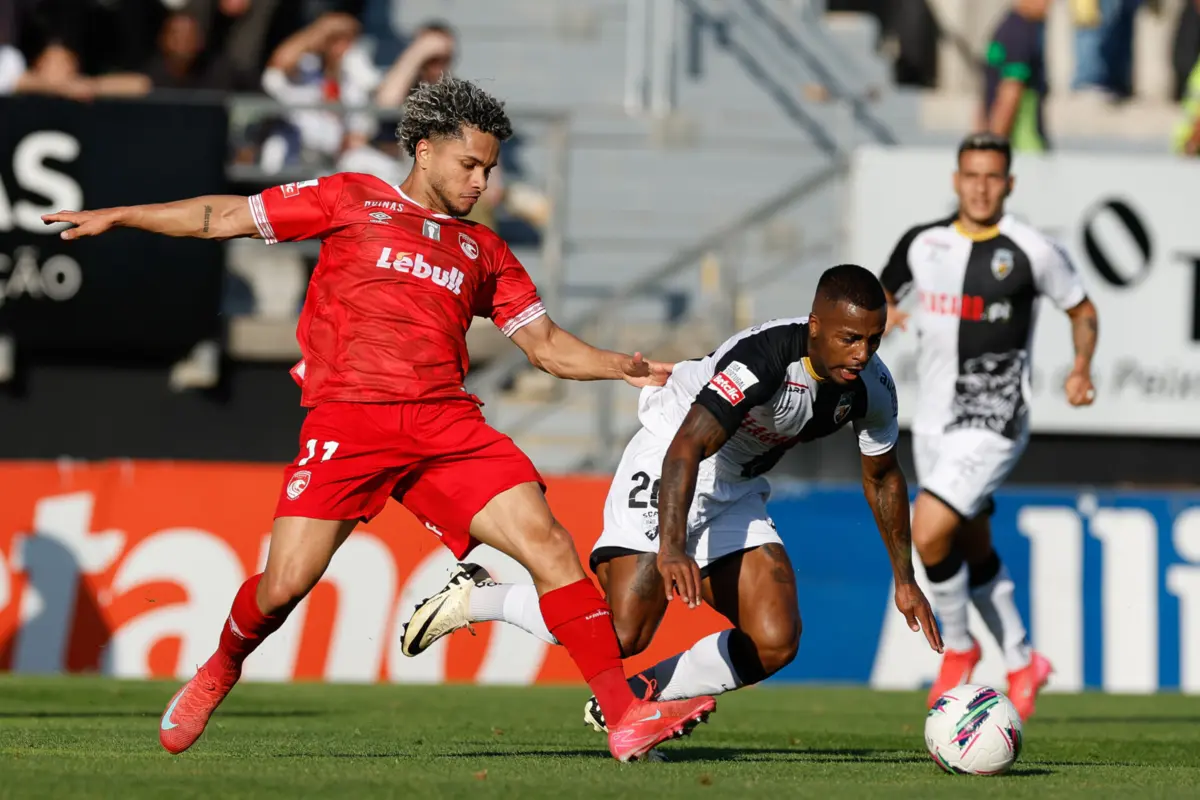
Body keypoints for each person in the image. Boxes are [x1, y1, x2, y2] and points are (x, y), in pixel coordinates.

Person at [41, 76, 716, 764]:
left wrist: (620, 366)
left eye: (489, 169)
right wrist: (124, 216)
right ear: (425, 151)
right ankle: (220, 667)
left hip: (445, 425)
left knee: (549, 544)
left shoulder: (485, 251)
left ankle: (623, 715)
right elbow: (225, 216)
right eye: (469, 164)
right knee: (284, 586)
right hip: (350, 421)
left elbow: (545, 346)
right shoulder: (351, 198)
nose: (481, 182)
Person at [400, 265, 944, 738]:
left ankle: (644, 695)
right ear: (816, 325)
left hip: (733, 485)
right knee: (621, 633)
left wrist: (905, 579)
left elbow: (883, 479)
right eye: (850, 338)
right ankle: (480, 597)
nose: (862, 353)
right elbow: (688, 445)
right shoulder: (763, 358)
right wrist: (673, 546)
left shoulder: (872, 385)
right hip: (671, 451)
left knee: (776, 640)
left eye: (873, 340)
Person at [878, 133, 1099, 720]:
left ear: (1009, 184)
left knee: (928, 532)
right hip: (932, 422)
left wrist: (1081, 367)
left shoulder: (1032, 250)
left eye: (992, 177)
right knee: (971, 543)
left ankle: (959, 647)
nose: (981, 187)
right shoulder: (922, 243)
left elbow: (1081, 309)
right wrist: (882, 313)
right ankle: (1023, 661)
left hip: (995, 417)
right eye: (972, 175)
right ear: (956, 180)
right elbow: (877, 295)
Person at [980, 0, 1051, 153]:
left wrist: (982, 138)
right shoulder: (1020, 34)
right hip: (1023, 146)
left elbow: (987, 90)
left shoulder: (1006, 26)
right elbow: (1011, 91)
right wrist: (995, 148)